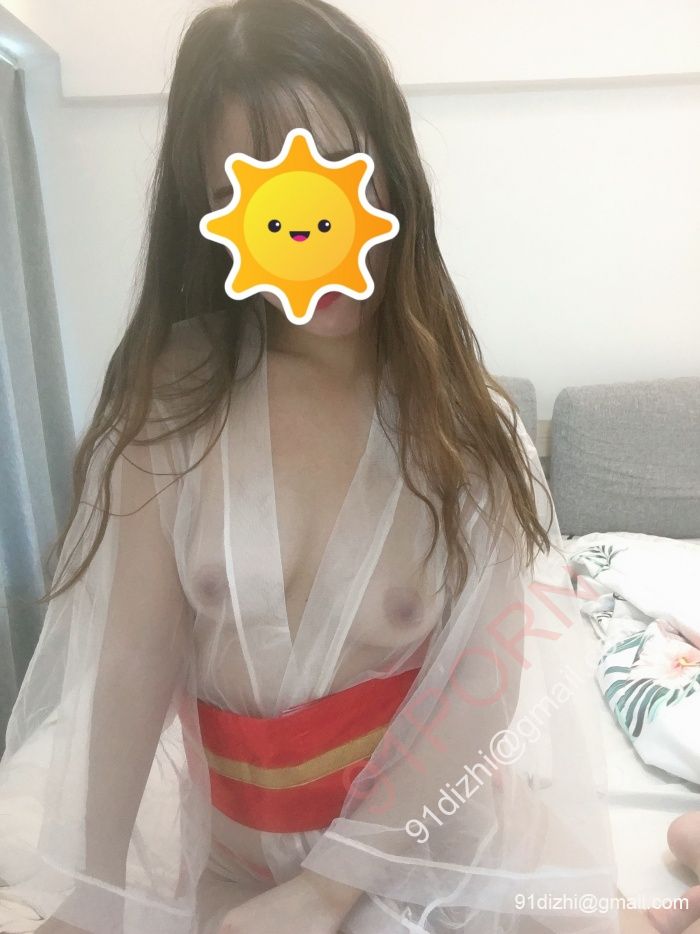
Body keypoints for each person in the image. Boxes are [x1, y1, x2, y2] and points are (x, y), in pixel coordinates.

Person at [0, 1, 677, 932]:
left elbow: (483, 691)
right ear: (214, 215)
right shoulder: (170, 402)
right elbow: (132, 662)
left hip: (433, 849)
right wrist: (90, 896)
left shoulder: (469, 427)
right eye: (261, 195)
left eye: (334, 174)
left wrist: (325, 891)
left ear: (389, 172)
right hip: (238, 862)